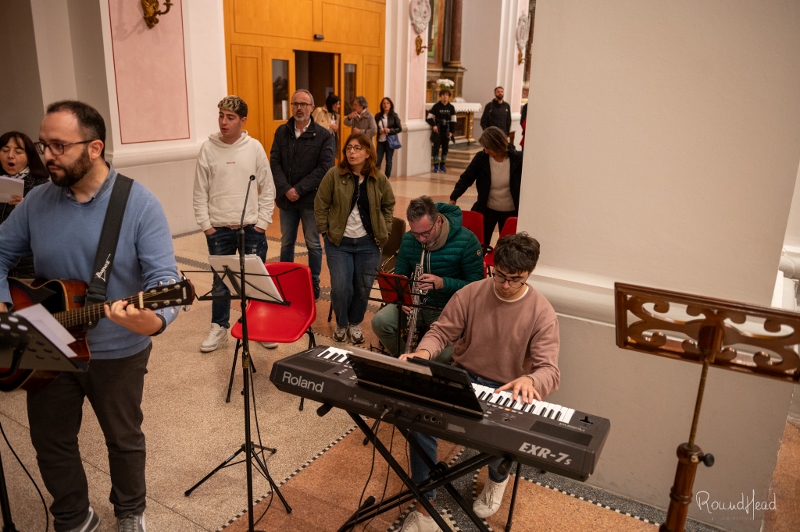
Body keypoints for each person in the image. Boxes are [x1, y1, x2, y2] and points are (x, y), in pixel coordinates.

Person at [0, 100, 180, 532]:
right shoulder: (37, 200)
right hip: (46, 338)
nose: (47, 155)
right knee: (50, 439)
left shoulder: (139, 204)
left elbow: (165, 282)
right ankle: (73, 516)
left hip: (117, 348)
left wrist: (153, 320)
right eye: (43, 145)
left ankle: (130, 510)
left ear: (95, 147)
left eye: (59, 146)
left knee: (123, 437)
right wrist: (3, 305)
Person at [398, 233, 559, 532]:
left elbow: (549, 370)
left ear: (530, 273)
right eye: (500, 275)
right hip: (465, 376)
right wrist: (422, 353)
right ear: (492, 266)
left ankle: (498, 478)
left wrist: (530, 379)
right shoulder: (471, 293)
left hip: (507, 388)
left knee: (500, 436)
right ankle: (425, 504)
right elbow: (441, 332)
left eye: (515, 279)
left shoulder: (541, 311)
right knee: (420, 420)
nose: (506, 285)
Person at [193, 95, 276, 352]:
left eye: (230, 117)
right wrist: (207, 226)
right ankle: (219, 327)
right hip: (219, 230)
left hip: (251, 228)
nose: (223, 122)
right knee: (221, 282)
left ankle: (259, 325)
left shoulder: (254, 148)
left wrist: (262, 223)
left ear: (243, 120)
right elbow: (199, 192)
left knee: (255, 281)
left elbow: (268, 187)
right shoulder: (208, 149)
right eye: (221, 116)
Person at [370, 196, 483, 359]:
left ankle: (425, 364)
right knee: (380, 322)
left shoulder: (467, 241)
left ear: (438, 222)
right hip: (415, 304)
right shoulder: (409, 239)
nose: (421, 239)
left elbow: (477, 287)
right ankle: (404, 359)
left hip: (447, 308)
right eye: (416, 234)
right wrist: (403, 299)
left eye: (426, 233)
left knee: (443, 356)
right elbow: (401, 275)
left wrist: (443, 283)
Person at [315, 132, 394, 344]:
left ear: (368, 153)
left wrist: (385, 229)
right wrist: (325, 231)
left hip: (369, 244)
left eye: (357, 148)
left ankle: (354, 323)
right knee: (341, 287)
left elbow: (388, 205)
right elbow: (321, 203)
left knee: (362, 287)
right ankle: (342, 323)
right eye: (349, 148)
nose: (352, 152)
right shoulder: (334, 175)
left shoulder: (378, 178)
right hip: (339, 243)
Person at [271, 89, 335, 300]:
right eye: (295, 104)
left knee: (313, 243)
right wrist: (286, 189)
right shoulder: (282, 132)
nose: (299, 108)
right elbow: (274, 162)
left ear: (312, 108)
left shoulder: (324, 135)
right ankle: (284, 281)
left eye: (303, 104)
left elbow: (324, 168)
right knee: (286, 242)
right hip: (286, 200)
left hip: (310, 200)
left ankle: (314, 283)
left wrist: (298, 189)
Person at [449, 126, 522, 247]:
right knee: (480, 244)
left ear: (497, 145)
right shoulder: (481, 158)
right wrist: (454, 197)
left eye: (488, 148)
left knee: (508, 247)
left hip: (510, 211)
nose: (486, 151)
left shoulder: (517, 159)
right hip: (487, 209)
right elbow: (466, 178)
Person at [0, 131, 50, 278]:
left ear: (29, 157)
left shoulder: (42, 186)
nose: (10, 155)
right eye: (5, 150)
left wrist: (27, 209)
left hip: (27, 268)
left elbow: (51, 229)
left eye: (18, 151)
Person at [426, 89, 457, 173]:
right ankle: (436, 165)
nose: (445, 97)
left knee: (445, 148)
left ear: (449, 96)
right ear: (440, 96)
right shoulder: (436, 106)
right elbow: (429, 118)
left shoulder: (451, 107)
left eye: (446, 95)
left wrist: (451, 132)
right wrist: (434, 125)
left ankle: (442, 165)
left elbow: (453, 121)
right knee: (436, 148)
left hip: (446, 130)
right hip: (438, 130)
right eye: (443, 95)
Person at [374, 97, 403, 178]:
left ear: (390, 105)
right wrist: (379, 131)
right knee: (377, 160)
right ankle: (375, 176)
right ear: (381, 105)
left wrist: (390, 130)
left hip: (390, 141)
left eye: (387, 103)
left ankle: (387, 178)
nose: (385, 105)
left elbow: (399, 128)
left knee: (388, 160)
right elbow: (374, 128)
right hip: (381, 140)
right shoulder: (378, 116)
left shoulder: (394, 115)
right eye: (384, 103)